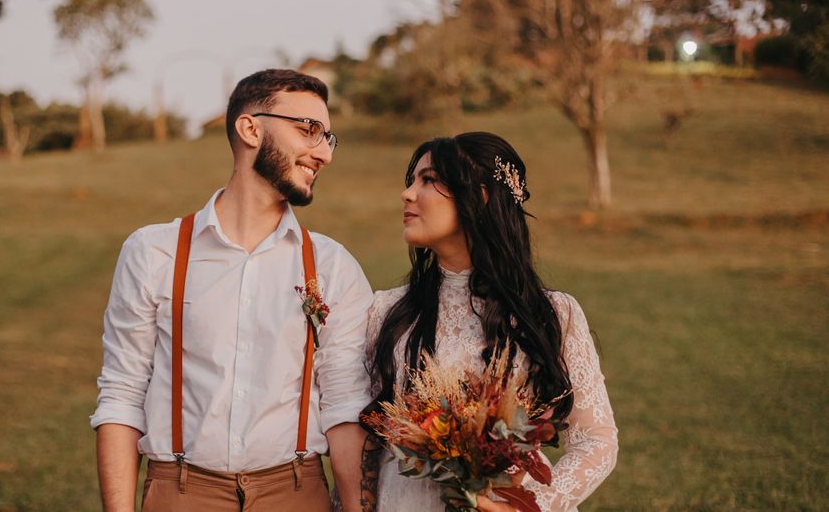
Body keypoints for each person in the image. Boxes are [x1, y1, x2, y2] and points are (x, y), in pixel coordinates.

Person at [90, 69, 372, 512]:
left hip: (296, 492)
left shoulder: (334, 267)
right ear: (250, 128)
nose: (324, 153)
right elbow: (122, 396)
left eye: (328, 138)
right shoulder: (154, 253)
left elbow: (344, 406)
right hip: (179, 491)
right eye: (310, 130)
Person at [362, 132, 618, 511]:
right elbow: (365, 440)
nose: (408, 194)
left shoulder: (552, 314)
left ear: (479, 197)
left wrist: (531, 505)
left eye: (428, 180)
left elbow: (597, 440)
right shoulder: (385, 313)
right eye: (411, 181)